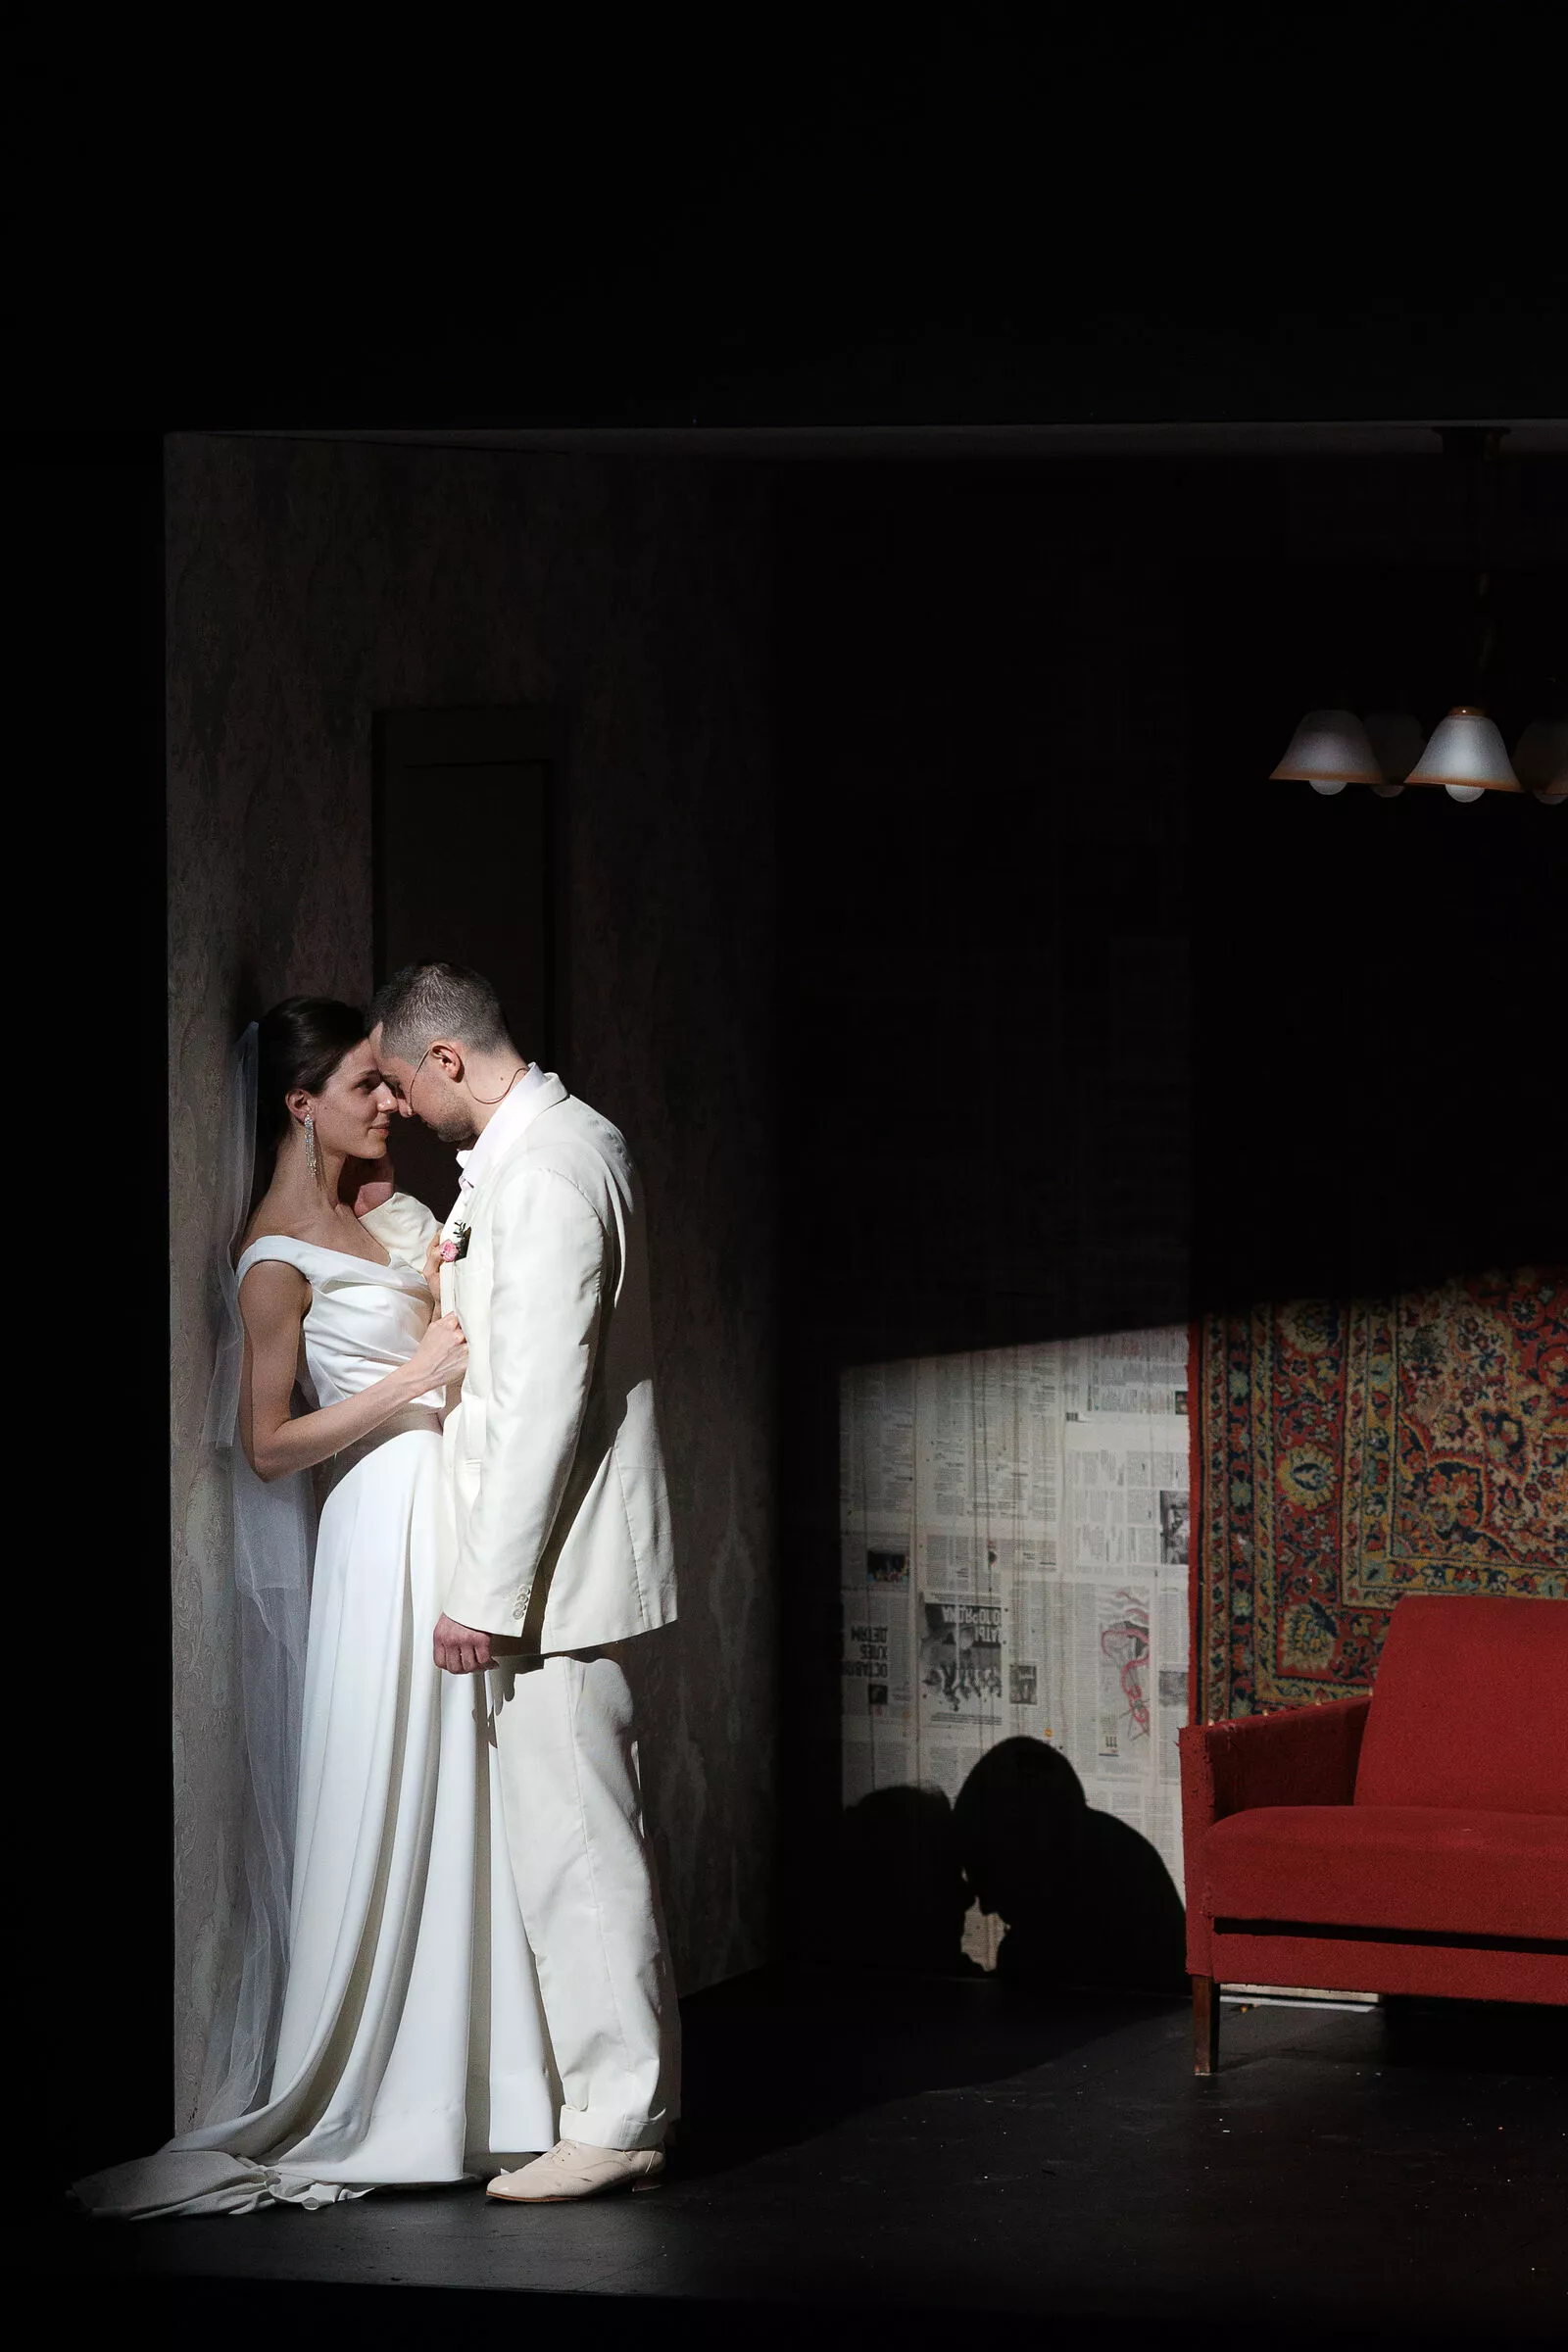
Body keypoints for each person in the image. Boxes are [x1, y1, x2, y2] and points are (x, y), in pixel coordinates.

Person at [75, 1000, 557, 2218]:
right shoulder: (276, 1257)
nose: (389, 1103)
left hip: (447, 1509)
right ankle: (383, 2090)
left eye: (390, 1084)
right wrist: (414, 1378)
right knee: (397, 1779)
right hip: (380, 1523)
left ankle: (489, 2095)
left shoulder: (387, 1219)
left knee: (471, 1788)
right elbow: (268, 1445)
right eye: (362, 1086)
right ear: (300, 1105)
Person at [368, 961, 679, 2203]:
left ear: (447, 1059)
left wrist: (483, 1595)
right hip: (549, 1569)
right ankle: (603, 2101)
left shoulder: (549, 1168)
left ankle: (619, 2116)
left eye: (404, 1081)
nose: (399, 1106)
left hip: (557, 1575)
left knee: (580, 1849)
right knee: (566, 1841)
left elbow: (545, 1402)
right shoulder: (530, 1153)